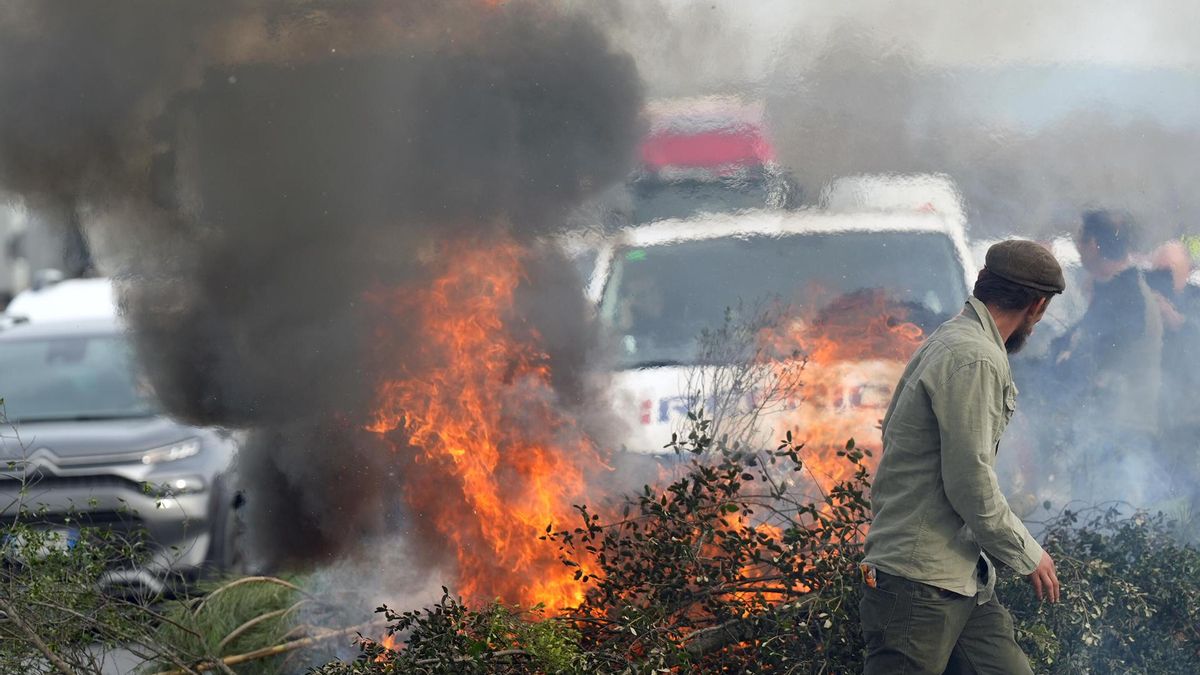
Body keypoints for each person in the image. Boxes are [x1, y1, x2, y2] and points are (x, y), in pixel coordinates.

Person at [859, 240, 1064, 674]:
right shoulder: (975, 357)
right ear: (1037, 307)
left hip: (962, 579)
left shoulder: (958, 340)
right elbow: (969, 481)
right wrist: (1028, 554)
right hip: (920, 583)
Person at [1053, 210, 1163, 505]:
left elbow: (1105, 360)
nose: (1077, 249)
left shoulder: (1128, 297)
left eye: (1080, 241)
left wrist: (1070, 359)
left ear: (1093, 245)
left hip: (1122, 428)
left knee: (1113, 514)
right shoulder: (1113, 293)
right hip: (1105, 427)